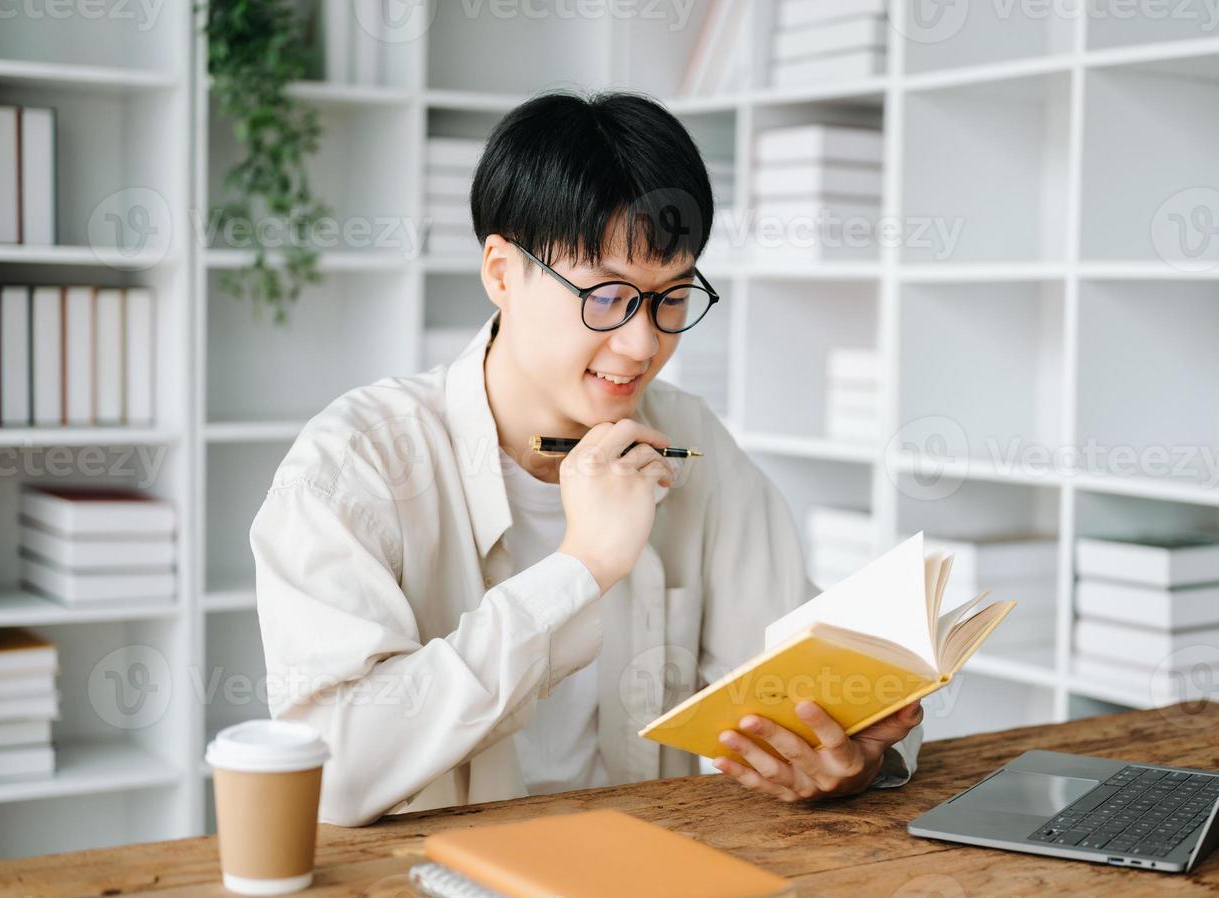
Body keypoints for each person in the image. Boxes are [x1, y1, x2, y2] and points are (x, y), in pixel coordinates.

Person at [249, 91, 923, 827]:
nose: (642, 345)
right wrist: (582, 569)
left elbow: (801, 673)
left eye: (671, 297)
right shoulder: (353, 466)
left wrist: (858, 759)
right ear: (502, 273)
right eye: (606, 296)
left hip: (642, 878)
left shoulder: (688, 438)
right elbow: (331, 773)